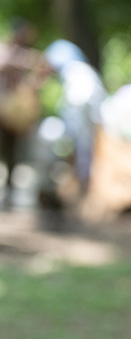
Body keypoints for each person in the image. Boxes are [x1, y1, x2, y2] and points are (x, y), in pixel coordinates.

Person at [40, 39, 106, 191]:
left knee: (77, 142)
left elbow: (75, 106)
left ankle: (82, 183)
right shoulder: (83, 69)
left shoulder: (72, 71)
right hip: (92, 99)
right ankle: (84, 182)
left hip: (81, 99)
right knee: (87, 144)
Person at [0, 19, 42, 208]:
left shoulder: (26, 55)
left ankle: (9, 190)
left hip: (16, 112)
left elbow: (40, 67)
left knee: (14, 152)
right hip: (3, 107)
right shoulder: (5, 51)